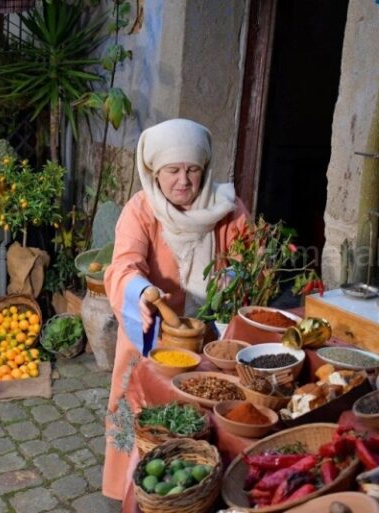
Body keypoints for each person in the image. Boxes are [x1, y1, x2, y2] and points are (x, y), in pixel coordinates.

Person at [101, 118, 249, 500]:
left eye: (193, 170)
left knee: (205, 413)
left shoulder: (228, 209)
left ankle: (198, 490)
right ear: (153, 171)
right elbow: (123, 264)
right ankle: (132, 490)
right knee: (142, 410)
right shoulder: (141, 210)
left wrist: (234, 278)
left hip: (209, 337)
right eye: (172, 171)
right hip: (151, 330)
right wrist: (141, 291)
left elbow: (249, 261)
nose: (183, 181)